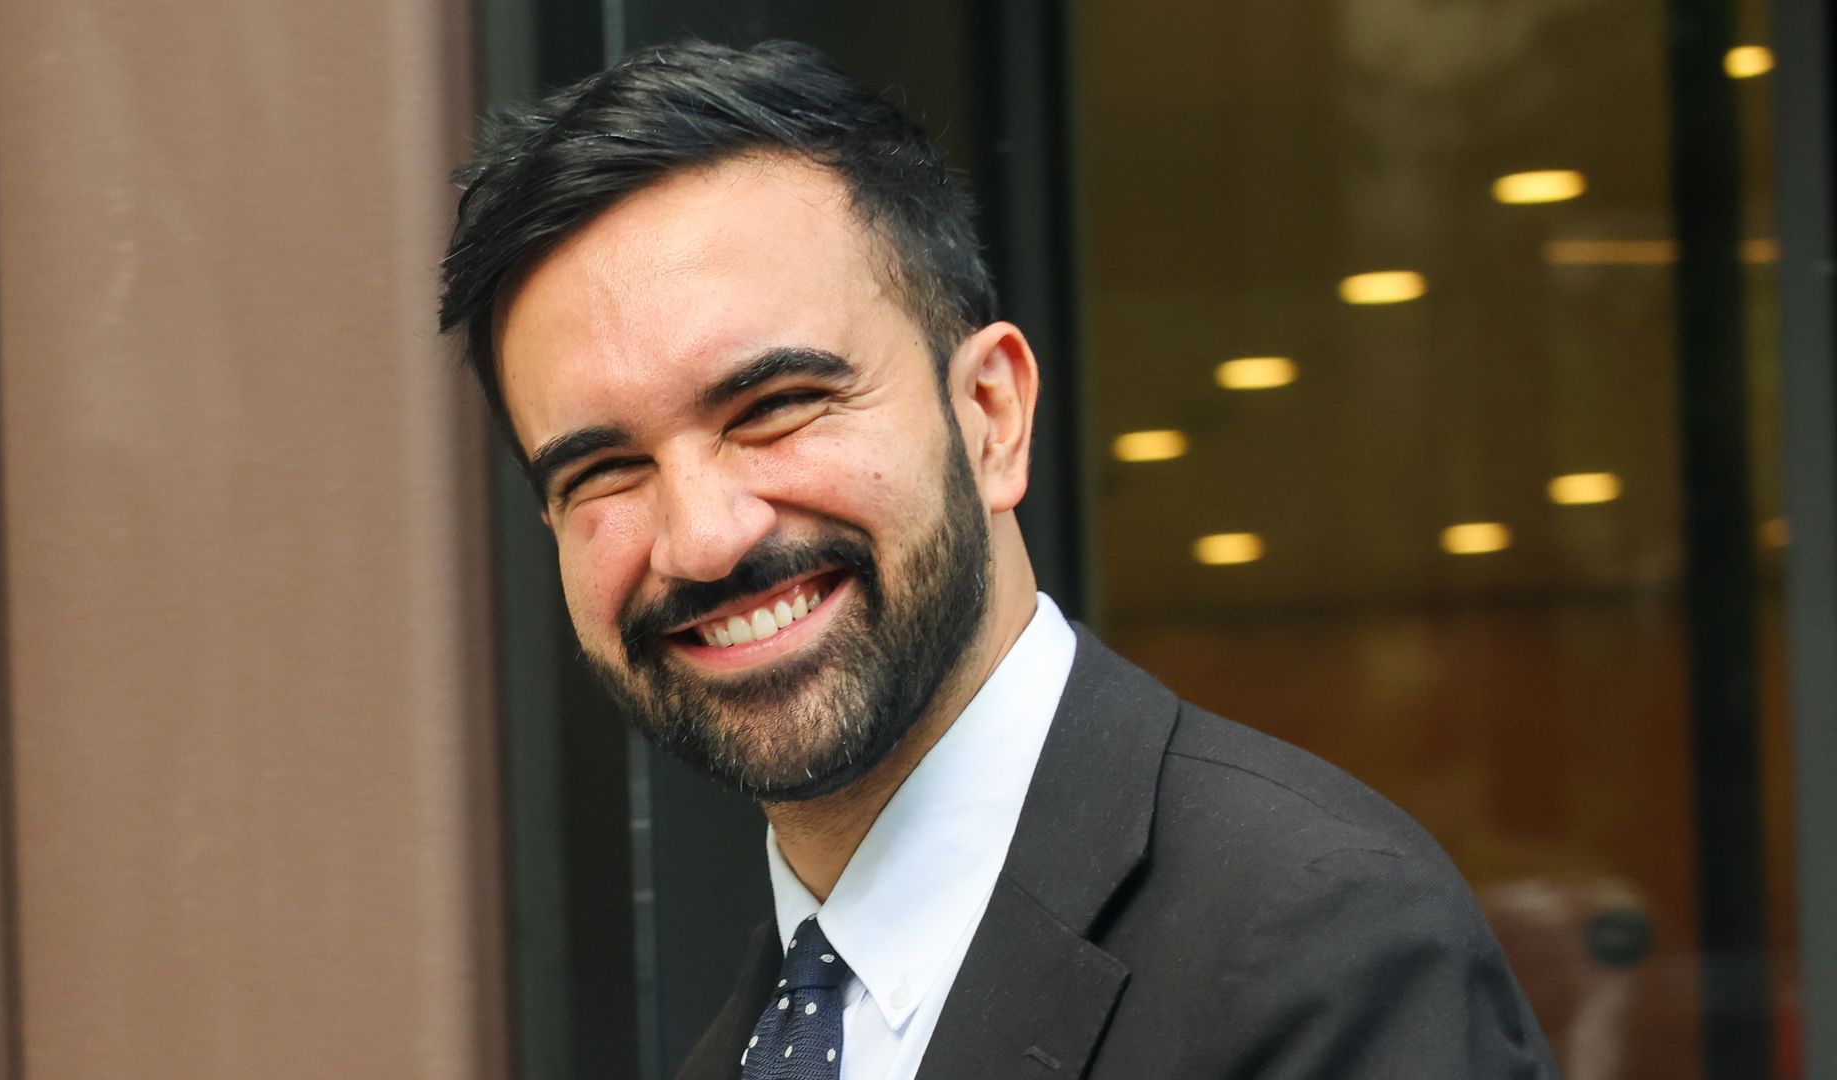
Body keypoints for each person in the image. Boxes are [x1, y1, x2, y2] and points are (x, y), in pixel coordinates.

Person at [439, 38, 1561, 1080]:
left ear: (991, 413)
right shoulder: (762, 1038)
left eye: (776, 406)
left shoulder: (1319, 945)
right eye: (603, 473)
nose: (702, 534)